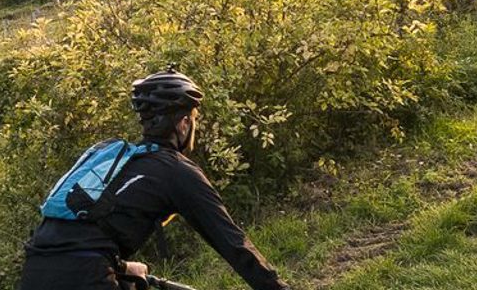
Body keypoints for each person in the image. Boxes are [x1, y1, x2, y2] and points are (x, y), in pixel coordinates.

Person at [18, 67, 288, 290]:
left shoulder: (112, 157)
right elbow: (233, 244)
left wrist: (123, 267)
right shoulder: (177, 171)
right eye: (194, 119)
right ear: (183, 124)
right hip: (86, 276)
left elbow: (73, 238)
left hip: (34, 272)